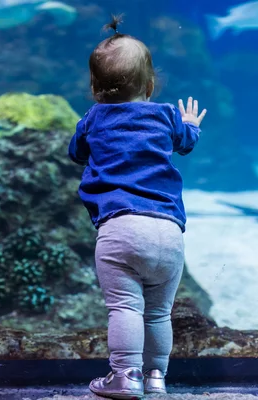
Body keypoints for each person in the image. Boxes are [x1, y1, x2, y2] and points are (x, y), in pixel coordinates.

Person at [67, 14, 207, 399]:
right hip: (169, 231)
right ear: (149, 85)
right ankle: (157, 378)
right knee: (159, 313)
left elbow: (76, 152)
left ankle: (124, 376)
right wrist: (190, 124)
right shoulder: (165, 115)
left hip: (120, 228)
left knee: (125, 308)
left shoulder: (94, 117)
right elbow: (186, 142)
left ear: (94, 87)